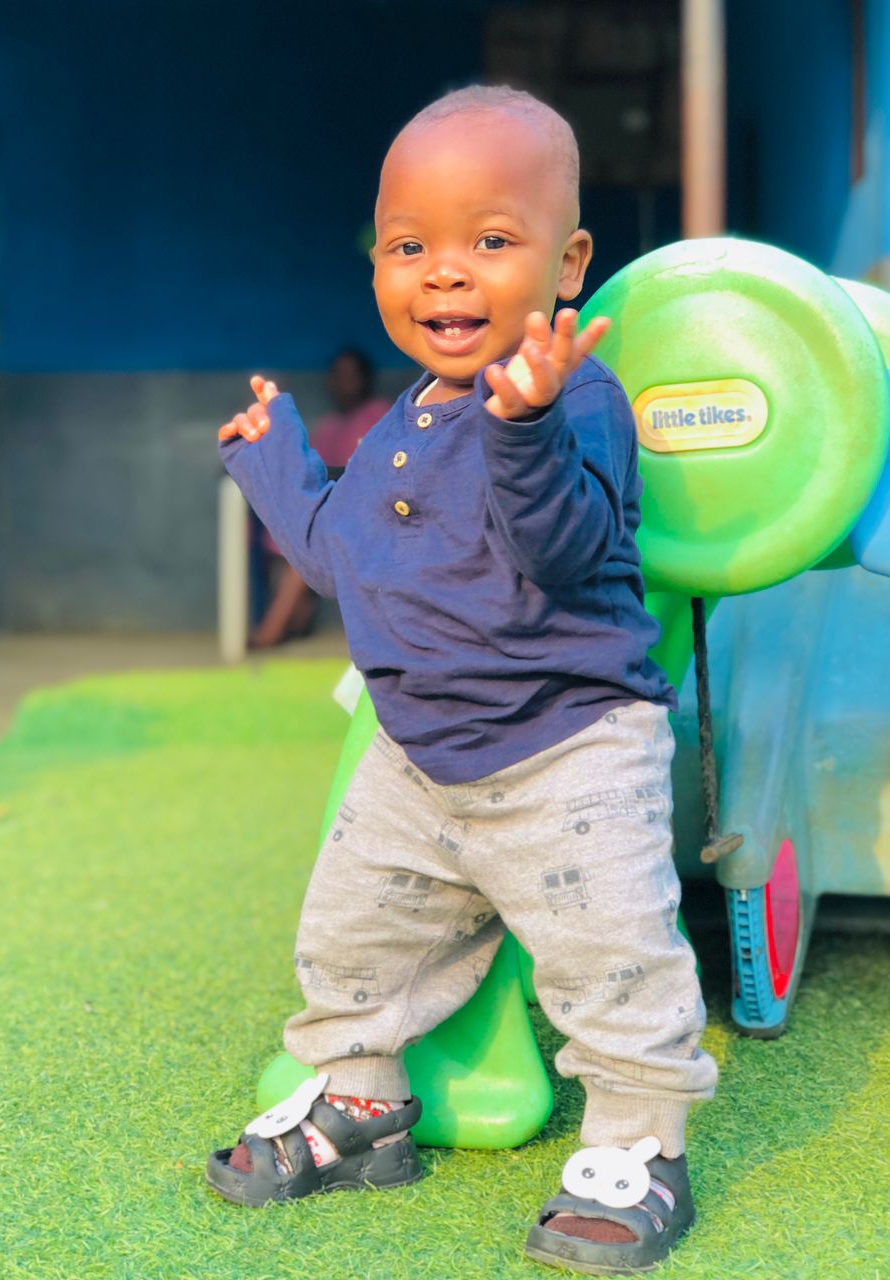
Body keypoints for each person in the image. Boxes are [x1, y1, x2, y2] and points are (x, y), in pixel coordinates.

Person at [212, 85, 717, 1275]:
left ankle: (639, 1142)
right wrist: (276, 463)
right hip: (418, 757)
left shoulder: (573, 398)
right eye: (409, 248)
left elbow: (562, 550)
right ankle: (361, 1096)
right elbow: (342, 554)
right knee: (351, 936)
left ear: (567, 261)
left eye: (490, 240)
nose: (444, 272)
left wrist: (526, 425)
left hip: (566, 749)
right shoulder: (405, 418)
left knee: (611, 957)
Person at [249, 349, 391, 647]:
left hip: (371, 516)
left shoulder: (380, 414)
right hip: (329, 509)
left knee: (313, 540)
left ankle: (270, 632)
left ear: (365, 379)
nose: (344, 382)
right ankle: (297, 617)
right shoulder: (328, 426)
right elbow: (309, 475)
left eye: (351, 375)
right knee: (280, 534)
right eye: (338, 376)